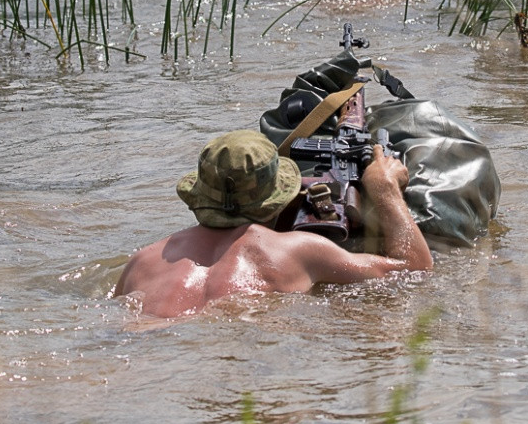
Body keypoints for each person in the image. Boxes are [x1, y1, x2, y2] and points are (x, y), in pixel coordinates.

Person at [114, 130, 433, 319]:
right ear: (278, 199)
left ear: (198, 196)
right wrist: (385, 190)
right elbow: (413, 268)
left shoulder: (142, 261)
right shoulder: (297, 251)